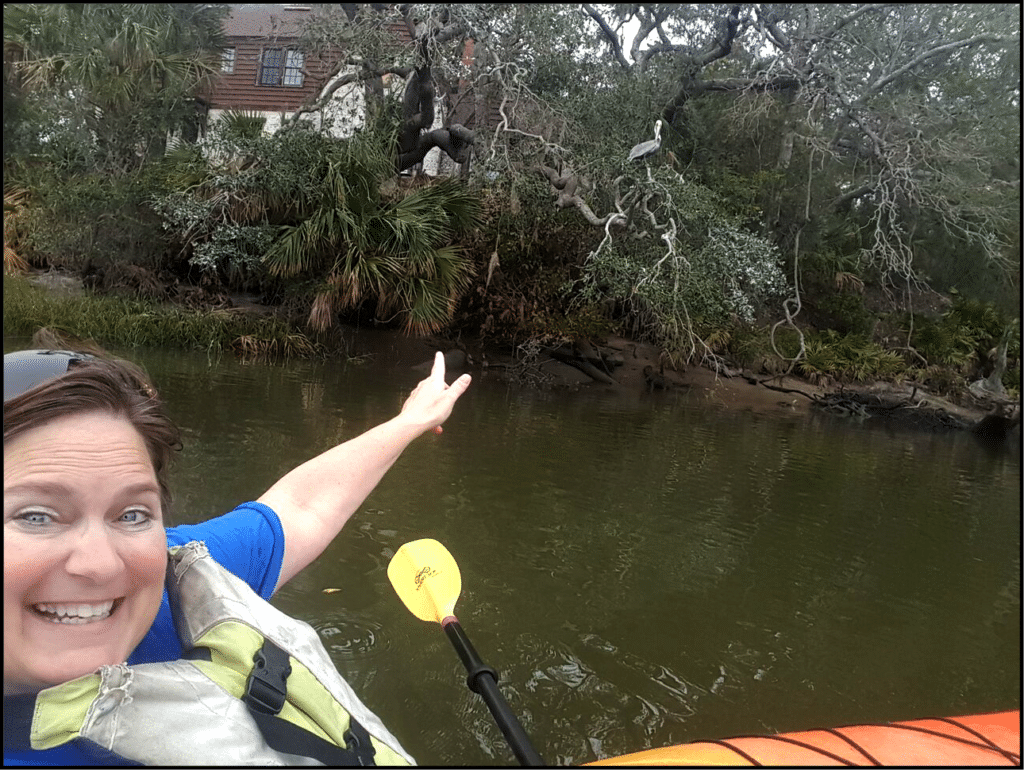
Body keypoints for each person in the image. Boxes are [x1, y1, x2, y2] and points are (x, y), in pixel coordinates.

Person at [3, 331, 472, 765]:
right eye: (35, 517)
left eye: (132, 514)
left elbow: (302, 507)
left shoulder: (167, 585)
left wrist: (411, 421)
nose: (101, 564)